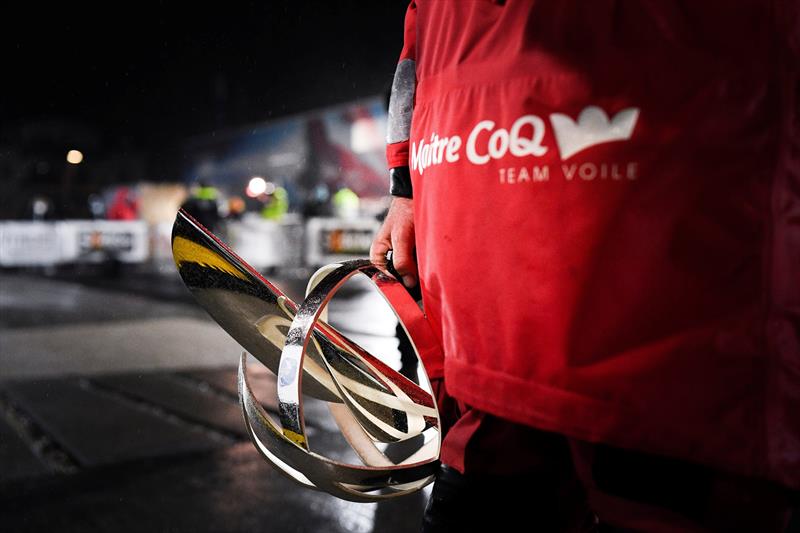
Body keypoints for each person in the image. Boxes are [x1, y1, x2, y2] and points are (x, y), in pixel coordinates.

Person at [370, 2, 799, 531]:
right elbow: (418, 44)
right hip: (666, 286)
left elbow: (416, 48)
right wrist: (405, 187)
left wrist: (405, 185)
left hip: (643, 262)